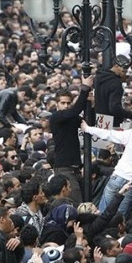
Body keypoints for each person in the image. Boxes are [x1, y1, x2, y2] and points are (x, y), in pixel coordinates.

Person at [49, 74, 94, 205]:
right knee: (76, 203)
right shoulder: (56, 117)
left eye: (68, 103)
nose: (66, 106)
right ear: (57, 104)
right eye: (63, 103)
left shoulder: (72, 118)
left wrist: (90, 104)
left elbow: (88, 121)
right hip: (64, 168)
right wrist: (84, 88)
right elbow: (74, 111)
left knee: (86, 200)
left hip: (76, 168)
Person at [95, 62, 132, 127]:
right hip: (112, 122)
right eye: (123, 71)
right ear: (116, 66)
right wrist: (130, 115)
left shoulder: (99, 77)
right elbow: (114, 107)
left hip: (100, 118)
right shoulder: (116, 82)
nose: (124, 74)